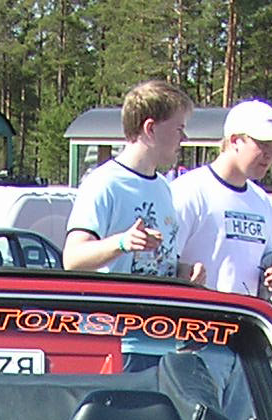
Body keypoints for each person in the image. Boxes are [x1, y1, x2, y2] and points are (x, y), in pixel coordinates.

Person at [63, 80, 191, 279]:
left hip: (158, 309)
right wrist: (122, 243)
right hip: (118, 309)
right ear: (150, 128)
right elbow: (72, 258)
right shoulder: (104, 183)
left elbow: (162, 262)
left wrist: (185, 272)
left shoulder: (163, 187)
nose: (184, 138)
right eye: (178, 129)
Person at [171, 100, 272, 300]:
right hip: (193, 323)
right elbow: (159, 266)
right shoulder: (188, 191)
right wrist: (183, 274)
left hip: (244, 324)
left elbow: (267, 266)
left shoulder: (262, 201)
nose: (270, 154)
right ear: (235, 140)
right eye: (262, 143)